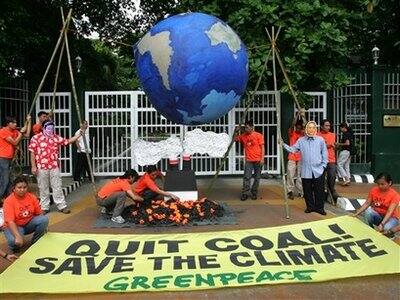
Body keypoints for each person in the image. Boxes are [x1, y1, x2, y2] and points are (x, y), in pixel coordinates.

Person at [28, 120, 83, 214]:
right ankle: (44, 207)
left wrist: (78, 135)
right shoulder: (36, 138)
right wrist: (33, 166)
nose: (50, 130)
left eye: (52, 128)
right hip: (41, 166)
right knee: (43, 187)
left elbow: (67, 141)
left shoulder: (55, 137)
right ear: (43, 128)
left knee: (57, 186)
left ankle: (62, 206)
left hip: (54, 166)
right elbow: (32, 152)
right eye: (48, 128)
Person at [281, 121, 328, 215]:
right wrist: (283, 144)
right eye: (309, 127)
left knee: (319, 190)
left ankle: (319, 208)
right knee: (307, 190)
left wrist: (323, 166)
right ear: (306, 129)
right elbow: (292, 149)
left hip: (318, 169)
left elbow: (324, 153)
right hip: (306, 170)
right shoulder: (301, 140)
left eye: (313, 127)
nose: (311, 129)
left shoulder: (320, 140)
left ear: (316, 129)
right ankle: (310, 207)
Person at [2, 176, 49, 253]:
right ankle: (14, 247)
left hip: (28, 223)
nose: (22, 190)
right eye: (19, 187)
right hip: (14, 226)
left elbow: (39, 213)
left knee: (44, 219)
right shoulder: (8, 201)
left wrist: (44, 227)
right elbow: (10, 222)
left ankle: (36, 241)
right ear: (14, 188)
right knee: (14, 242)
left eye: (24, 187)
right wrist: (17, 236)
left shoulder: (32, 197)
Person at [0, 115, 31, 199]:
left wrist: (29, 121)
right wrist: (21, 133)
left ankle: (9, 198)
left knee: (11, 179)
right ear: (7, 124)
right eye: (13, 122)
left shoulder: (15, 131)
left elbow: (27, 135)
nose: (15, 124)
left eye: (15, 122)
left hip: (10, 158)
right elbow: (14, 142)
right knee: (4, 180)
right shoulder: (3, 131)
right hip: (3, 158)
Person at [235, 119, 265, 201]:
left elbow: (262, 148)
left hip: (258, 159)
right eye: (245, 128)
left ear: (252, 127)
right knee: (247, 177)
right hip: (249, 160)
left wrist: (262, 158)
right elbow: (234, 139)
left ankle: (254, 192)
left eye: (247, 128)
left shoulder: (258, 135)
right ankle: (245, 193)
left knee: (257, 177)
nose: (246, 129)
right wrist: (237, 131)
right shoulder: (243, 136)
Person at [318, 119, 339, 203]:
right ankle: (322, 194)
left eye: (329, 126)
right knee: (320, 178)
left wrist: (336, 146)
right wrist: (329, 145)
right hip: (320, 160)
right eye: (326, 126)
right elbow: (319, 147)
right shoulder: (317, 135)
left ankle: (332, 190)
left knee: (332, 175)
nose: (328, 127)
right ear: (322, 126)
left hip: (331, 159)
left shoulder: (333, 135)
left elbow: (335, 147)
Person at [286, 113, 304, 200]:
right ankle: (290, 191)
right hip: (292, 157)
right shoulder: (292, 133)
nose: (298, 129)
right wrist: (297, 115)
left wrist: (303, 116)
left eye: (300, 128)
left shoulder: (303, 135)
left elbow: (307, 126)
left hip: (301, 158)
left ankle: (301, 191)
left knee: (300, 176)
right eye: (297, 128)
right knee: (290, 174)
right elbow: (292, 125)